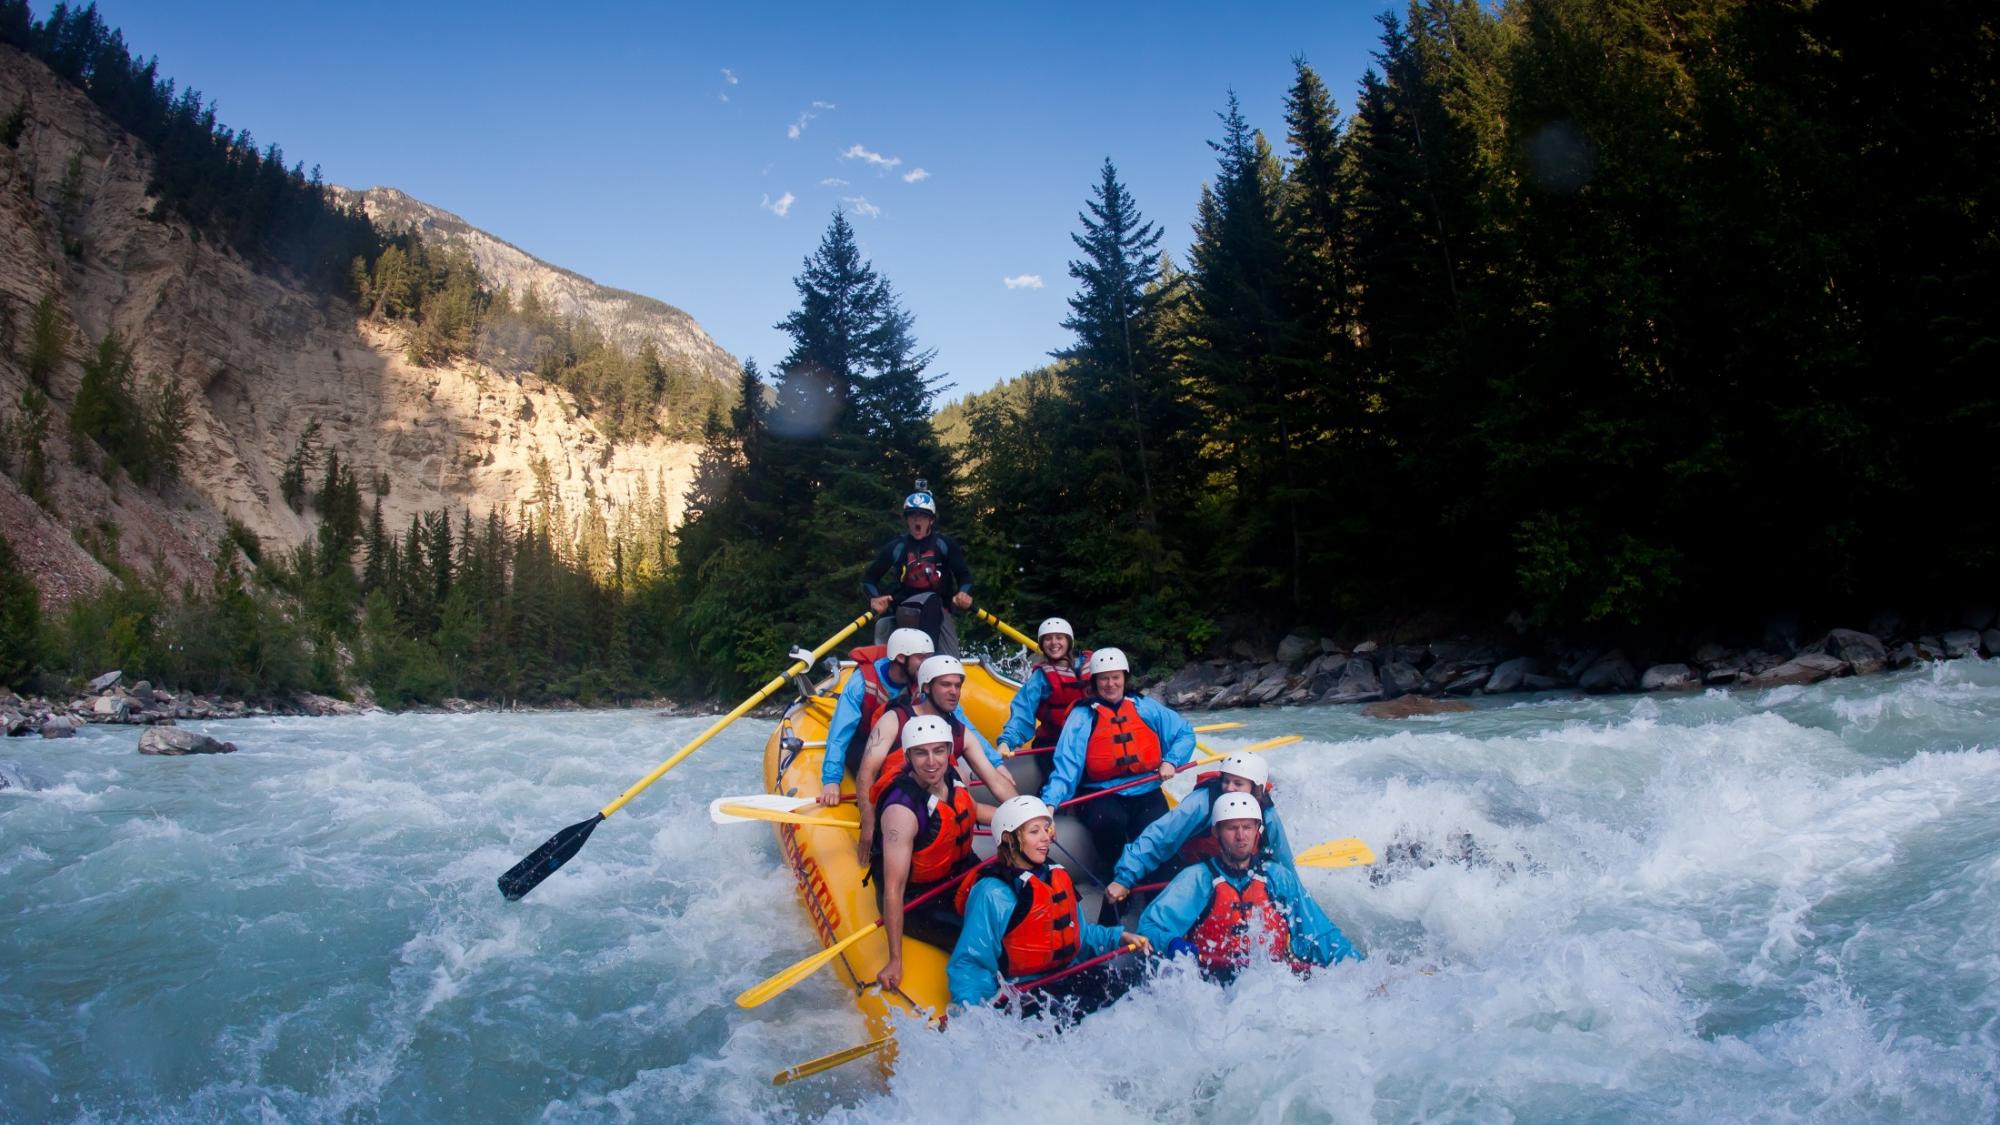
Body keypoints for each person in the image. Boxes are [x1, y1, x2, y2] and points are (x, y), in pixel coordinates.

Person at [948, 796, 1151, 1017]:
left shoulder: (1054, 875)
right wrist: (974, 1016)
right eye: (1035, 832)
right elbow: (971, 963)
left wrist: (1119, 938)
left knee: (1136, 989)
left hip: (1069, 977)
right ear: (1010, 839)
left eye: (1046, 829)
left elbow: (1080, 935)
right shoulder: (992, 893)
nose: (1046, 838)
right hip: (1026, 993)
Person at [1137, 793, 1359, 982]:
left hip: (1273, 982)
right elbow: (1150, 927)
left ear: (1257, 831)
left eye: (1247, 827)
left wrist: (1357, 968)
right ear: (1216, 832)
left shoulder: (1278, 878)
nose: (1241, 836)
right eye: (1232, 828)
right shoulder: (1197, 879)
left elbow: (1320, 934)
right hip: (1210, 984)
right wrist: (1171, 943)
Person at [1038, 647, 1195, 878]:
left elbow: (1185, 733)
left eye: (1115, 678)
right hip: (1101, 794)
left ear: (1124, 678)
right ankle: (1116, 876)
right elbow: (1066, 768)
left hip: (1146, 789)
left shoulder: (1145, 706)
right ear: (1095, 682)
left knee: (1157, 833)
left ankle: (1157, 884)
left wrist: (1171, 761)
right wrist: (1049, 805)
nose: (1110, 684)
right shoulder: (1083, 716)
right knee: (1109, 824)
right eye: (1104, 679)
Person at [871, 714, 992, 994]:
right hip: (919, 898)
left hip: (959, 873)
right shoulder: (901, 811)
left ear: (950, 752)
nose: (931, 761)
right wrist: (894, 960)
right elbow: (894, 887)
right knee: (978, 936)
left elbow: (974, 812)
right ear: (908, 756)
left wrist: (1021, 821)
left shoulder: (953, 776)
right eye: (921, 753)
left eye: (939, 751)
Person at [856, 654, 1017, 863]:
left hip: (939, 819)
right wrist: (868, 822)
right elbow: (866, 772)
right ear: (926, 687)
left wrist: (1025, 812)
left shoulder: (960, 732)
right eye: (945, 685)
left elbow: (994, 780)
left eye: (957, 686)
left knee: (959, 777)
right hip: (900, 812)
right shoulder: (895, 720)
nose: (954, 692)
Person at [1104, 751, 1294, 908]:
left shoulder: (1267, 814)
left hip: (1236, 870)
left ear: (1255, 788)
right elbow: (1160, 836)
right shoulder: (1203, 802)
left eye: (1238, 783)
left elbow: (1282, 859)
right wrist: (1124, 878)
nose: (1229, 788)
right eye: (1226, 781)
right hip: (1187, 867)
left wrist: (1293, 896)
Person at [817, 628, 933, 806]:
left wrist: (993, 763)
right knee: (895, 780)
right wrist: (831, 780)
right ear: (901, 658)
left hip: (903, 742)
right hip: (863, 743)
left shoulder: (925, 681)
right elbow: (840, 733)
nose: (927, 664)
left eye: (929, 658)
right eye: (922, 658)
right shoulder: (861, 682)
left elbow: (962, 724)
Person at [863, 488, 973, 655]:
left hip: (940, 612)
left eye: (922, 515)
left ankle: (937, 665)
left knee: (952, 661)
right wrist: (874, 598)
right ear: (906, 520)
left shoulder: (945, 545)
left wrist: (964, 594)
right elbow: (869, 579)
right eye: (912, 515)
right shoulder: (896, 547)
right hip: (906, 609)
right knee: (930, 599)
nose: (917, 519)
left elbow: (965, 577)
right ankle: (926, 658)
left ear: (931, 520)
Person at [996, 617, 1091, 761]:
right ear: (1041, 644)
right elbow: (1023, 711)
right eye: (1048, 639)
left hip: (1088, 741)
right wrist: (1006, 742)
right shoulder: (1040, 677)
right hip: (1053, 744)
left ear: (1069, 642)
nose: (1054, 643)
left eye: (1059, 638)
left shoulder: (1091, 666)